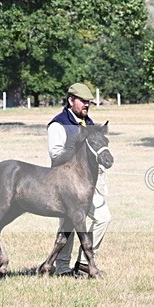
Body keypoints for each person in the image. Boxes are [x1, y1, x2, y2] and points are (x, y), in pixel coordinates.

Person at [47, 83, 112, 276]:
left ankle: (83, 262)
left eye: (89, 102)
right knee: (68, 224)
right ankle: (63, 267)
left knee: (103, 218)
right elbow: (56, 155)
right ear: (71, 100)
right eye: (83, 101)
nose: (87, 105)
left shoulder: (89, 123)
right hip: (64, 185)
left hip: (88, 185)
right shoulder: (58, 124)